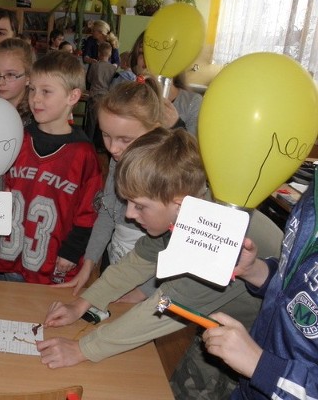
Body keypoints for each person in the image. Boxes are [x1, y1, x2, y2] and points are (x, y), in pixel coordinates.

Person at [37, 127, 280, 375]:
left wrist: (82, 349)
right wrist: (82, 304)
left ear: (178, 204)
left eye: (139, 206)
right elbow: (138, 262)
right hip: (224, 323)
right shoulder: (181, 212)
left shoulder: (214, 237)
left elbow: (164, 308)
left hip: (268, 345)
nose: (129, 214)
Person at [201, 170, 318, 399]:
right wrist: (256, 271)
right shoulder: (312, 194)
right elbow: (295, 285)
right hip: (254, 386)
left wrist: (260, 365)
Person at [0, 51, 103, 284]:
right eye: (32, 89)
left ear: (73, 96)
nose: (35, 99)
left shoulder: (83, 154)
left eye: (46, 91)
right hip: (12, 256)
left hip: (53, 266)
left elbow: (88, 212)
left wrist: (71, 251)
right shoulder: (18, 139)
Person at [62, 79, 163, 295]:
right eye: (106, 135)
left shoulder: (168, 176)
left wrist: (142, 292)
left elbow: (171, 247)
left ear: (154, 131)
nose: (113, 148)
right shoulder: (118, 159)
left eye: (125, 139)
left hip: (150, 281)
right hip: (115, 264)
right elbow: (107, 215)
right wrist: (88, 264)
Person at [0, 38, 35, 279]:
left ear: (29, 77)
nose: (1, 81)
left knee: (16, 281)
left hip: (23, 220)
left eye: (11, 75)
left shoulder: (36, 120)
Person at [84, 42, 117, 148]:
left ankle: (87, 143)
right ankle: (100, 145)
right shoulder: (113, 68)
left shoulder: (95, 65)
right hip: (106, 96)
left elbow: (89, 78)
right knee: (102, 122)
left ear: (99, 53)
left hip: (94, 95)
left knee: (91, 122)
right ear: (110, 54)